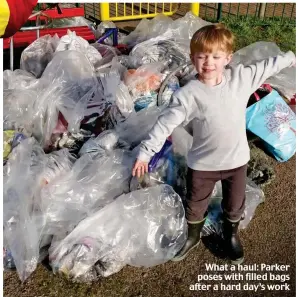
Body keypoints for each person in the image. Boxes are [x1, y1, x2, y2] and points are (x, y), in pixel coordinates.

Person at [132, 23, 296, 264]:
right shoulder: (188, 95)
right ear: (192, 58)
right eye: (202, 56)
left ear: (228, 58)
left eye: (216, 56)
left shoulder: (242, 78)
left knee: (234, 204)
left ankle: (231, 235)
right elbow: (164, 124)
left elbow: (266, 66)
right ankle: (193, 235)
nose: (208, 62)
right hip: (203, 165)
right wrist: (145, 153)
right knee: (195, 202)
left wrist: (290, 58)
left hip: (236, 161)